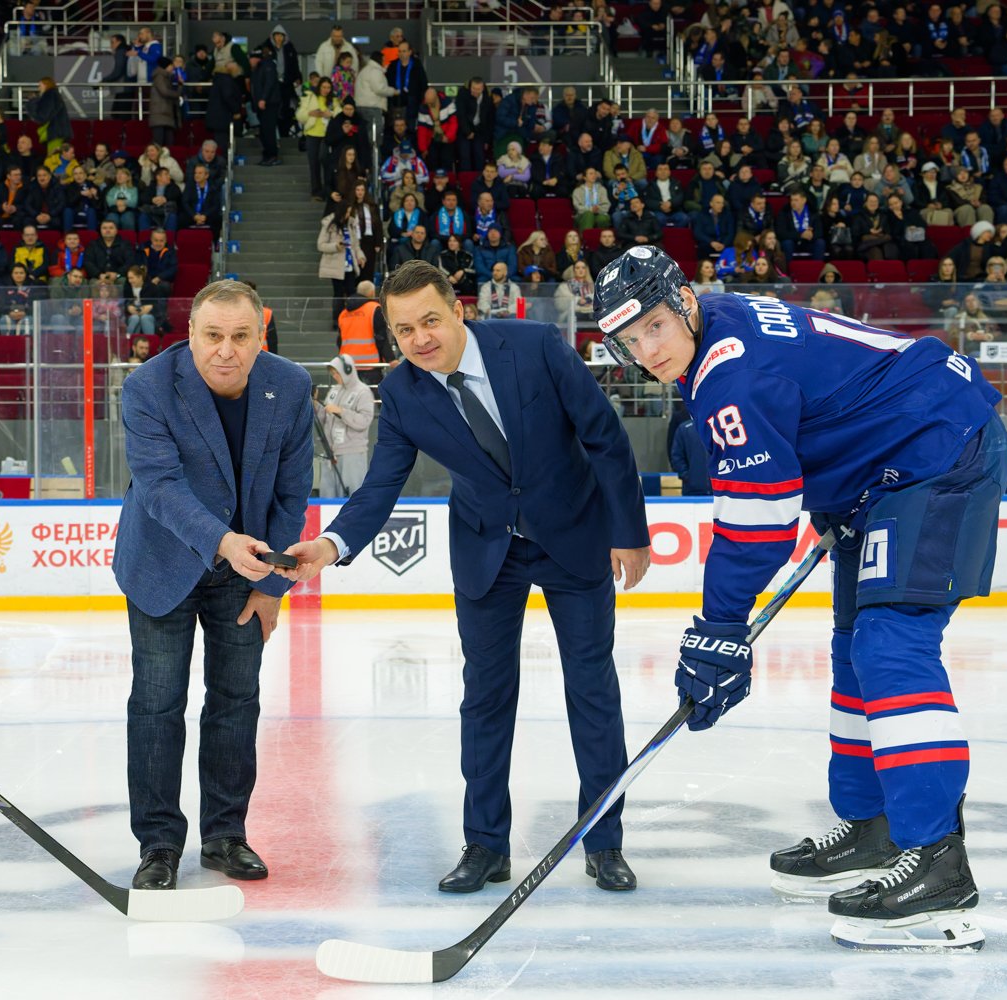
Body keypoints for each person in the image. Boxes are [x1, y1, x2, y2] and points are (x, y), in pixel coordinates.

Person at [593, 244, 1007, 952]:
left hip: (940, 450)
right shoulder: (715, 329)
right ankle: (873, 828)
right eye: (630, 341)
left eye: (654, 327)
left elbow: (758, 523)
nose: (647, 351)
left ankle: (938, 861)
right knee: (854, 651)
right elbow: (824, 400)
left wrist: (719, 626)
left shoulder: (729, 374)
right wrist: (837, 493)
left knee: (890, 646)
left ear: (685, 301)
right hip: (887, 471)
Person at [279, 259, 651, 895]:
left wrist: (630, 531)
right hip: (487, 549)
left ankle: (604, 841)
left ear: (458, 310)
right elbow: (381, 485)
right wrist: (332, 543)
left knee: (592, 690)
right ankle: (484, 846)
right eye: (404, 330)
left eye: (430, 320)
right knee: (485, 698)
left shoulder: (535, 346)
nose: (420, 339)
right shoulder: (402, 392)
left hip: (574, 534)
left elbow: (605, 438)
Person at [115, 280, 312, 892]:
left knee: (235, 700)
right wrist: (224, 541)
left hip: (248, 571)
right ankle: (158, 843)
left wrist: (272, 586)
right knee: (157, 703)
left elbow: (292, 491)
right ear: (191, 333)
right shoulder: (148, 387)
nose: (226, 349)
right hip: (162, 563)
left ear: (261, 335)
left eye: (241, 336)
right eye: (213, 335)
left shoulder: (291, 386)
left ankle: (225, 834)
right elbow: (159, 486)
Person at [314, 354, 374, 497]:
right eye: (332, 373)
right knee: (328, 495)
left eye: (337, 373)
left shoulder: (363, 392)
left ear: (347, 370)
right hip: (331, 452)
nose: (335, 376)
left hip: (352, 453)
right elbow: (325, 418)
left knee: (353, 495)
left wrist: (341, 411)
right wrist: (315, 404)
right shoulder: (335, 390)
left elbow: (364, 420)